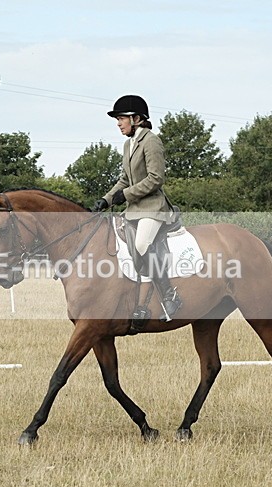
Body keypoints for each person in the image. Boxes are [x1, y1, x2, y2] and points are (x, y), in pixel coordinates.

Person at [92, 94, 182, 321]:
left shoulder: (151, 141)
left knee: (142, 244)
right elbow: (124, 179)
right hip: (133, 210)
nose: (118, 123)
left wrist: (126, 195)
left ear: (137, 119)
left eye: (121, 118)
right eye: (118, 119)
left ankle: (169, 294)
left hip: (153, 208)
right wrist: (106, 199)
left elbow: (156, 178)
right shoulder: (128, 144)